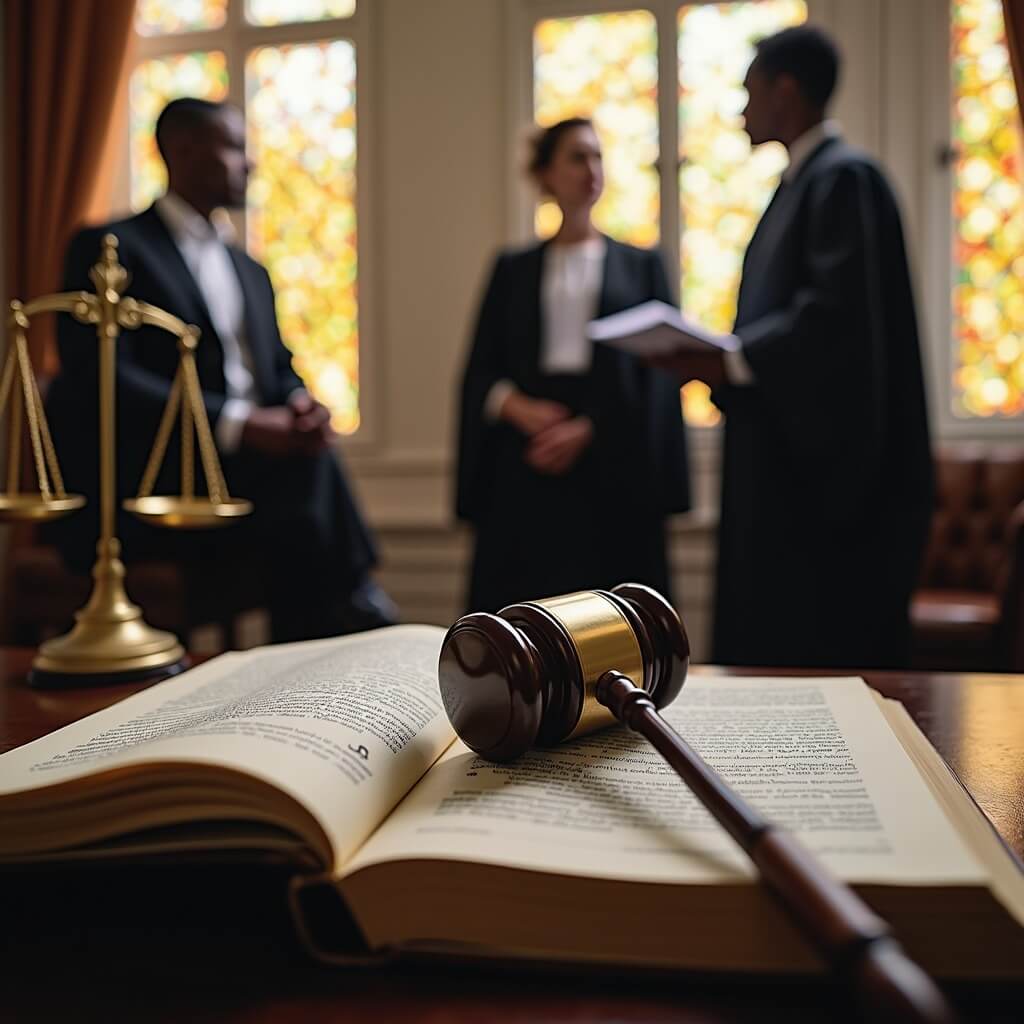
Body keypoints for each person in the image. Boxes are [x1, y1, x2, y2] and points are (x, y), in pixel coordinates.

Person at [44, 97, 396, 642]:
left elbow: (277, 369)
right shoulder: (112, 248)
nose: (250, 162)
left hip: (248, 482)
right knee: (305, 490)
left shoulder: (246, 267)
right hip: (155, 485)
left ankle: (333, 628)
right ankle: (352, 612)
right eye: (234, 147)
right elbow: (100, 377)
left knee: (304, 487)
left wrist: (300, 405)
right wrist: (239, 424)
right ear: (182, 151)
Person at [652, 26, 932, 668]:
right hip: (784, 471)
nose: (741, 110)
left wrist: (728, 359)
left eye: (749, 91)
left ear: (785, 90)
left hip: (827, 499)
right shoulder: (802, 185)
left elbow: (835, 322)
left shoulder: (844, 180)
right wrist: (725, 364)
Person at [455, 117, 691, 612]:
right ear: (546, 173)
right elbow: (480, 370)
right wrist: (517, 407)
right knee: (524, 618)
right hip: (527, 465)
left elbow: (658, 378)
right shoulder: (512, 270)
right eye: (577, 157)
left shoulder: (642, 267)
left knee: (611, 617)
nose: (591, 169)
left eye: (598, 156)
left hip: (613, 472)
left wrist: (589, 429)